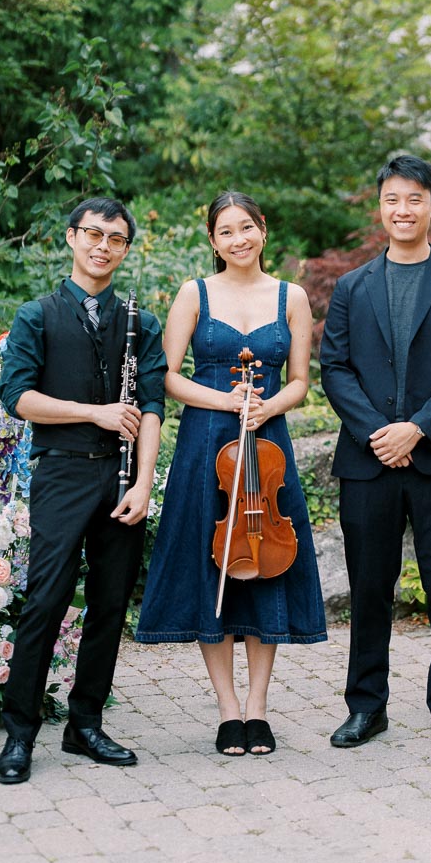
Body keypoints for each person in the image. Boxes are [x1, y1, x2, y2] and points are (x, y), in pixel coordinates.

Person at [136, 191, 326, 756]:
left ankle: (259, 710)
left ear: (263, 230)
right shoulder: (194, 294)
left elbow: (298, 380)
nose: (238, 239)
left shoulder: (292, 296)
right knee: (210, 561)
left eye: (246, 227)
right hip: (206, 444)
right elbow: (168, 376)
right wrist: (226, 402)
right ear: (213, 241)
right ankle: (226, 711)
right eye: (226, 231)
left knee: (264, 563)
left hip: (266, 442)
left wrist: (269, 407)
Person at [319, 155, 431, 750]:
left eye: (414, 199)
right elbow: (334, 369)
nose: (403, 209)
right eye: (393, 199)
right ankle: (367, 706)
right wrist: (378, 433)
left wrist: (416, 429)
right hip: (369, 462)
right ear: (381, 206)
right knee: (371, 586)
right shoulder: (352, 287)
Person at [0, 198, 166, 784]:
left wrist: (144, 483)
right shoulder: (36, 315)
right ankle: (20, 733)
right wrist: (93, 413)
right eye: (92, 234)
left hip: (122, 478)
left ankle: (84, 725)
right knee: (46, 600)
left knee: (110, 602)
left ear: (124, 249)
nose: (103, 246)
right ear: (71, 238)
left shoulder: (141, 321)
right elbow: (17, 397)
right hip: (63, 472)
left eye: (115, 239)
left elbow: (152, 407)